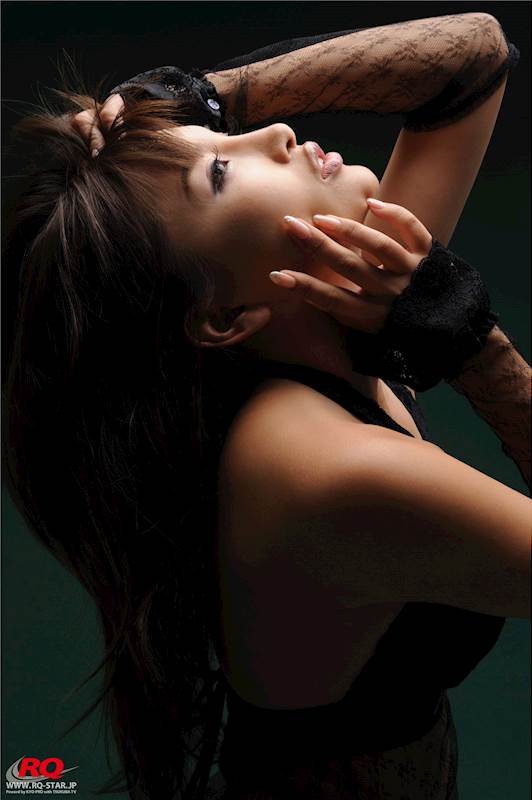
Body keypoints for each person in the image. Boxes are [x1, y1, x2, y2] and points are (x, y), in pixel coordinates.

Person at [3, 11, 530, 800]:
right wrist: (474, 347)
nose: (277, 133)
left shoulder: (319, 322)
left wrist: (202, 96)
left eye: (222, 140)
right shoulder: (326, 469)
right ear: (224, 316)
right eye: (220, 175)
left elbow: (472, 57)